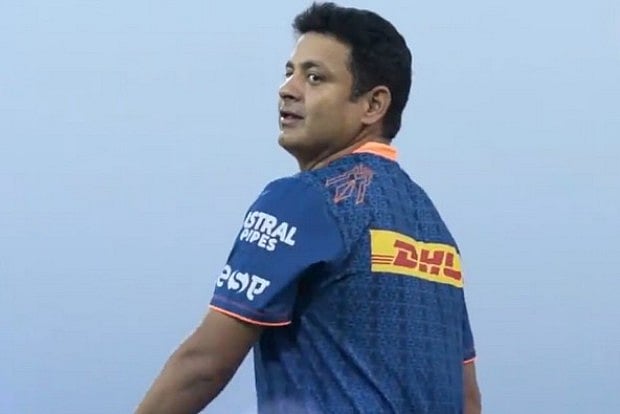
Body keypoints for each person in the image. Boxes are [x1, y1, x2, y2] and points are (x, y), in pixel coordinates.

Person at [135, 2, 481, 413]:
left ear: (373, 105)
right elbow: (468, 399)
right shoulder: (434, 231)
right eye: (290, 72)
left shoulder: (302, 200)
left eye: (315, 77)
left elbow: (203, 366)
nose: (288, 89)